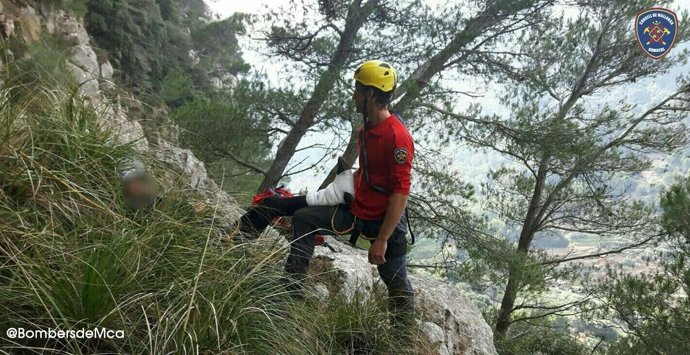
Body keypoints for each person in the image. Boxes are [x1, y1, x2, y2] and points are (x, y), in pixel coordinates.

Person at [283, 60, 415, 325]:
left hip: (384, 221)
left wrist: (383, 240)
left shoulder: (397, 137)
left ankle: (403, 335)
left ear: (370, 94)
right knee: (304, 218)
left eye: (357, 89)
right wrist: (338, 191)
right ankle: (289, 294)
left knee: (394, 279)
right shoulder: (365, 130)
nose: (353, 95)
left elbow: (400, 193)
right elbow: (364, 174)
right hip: (358, 210)